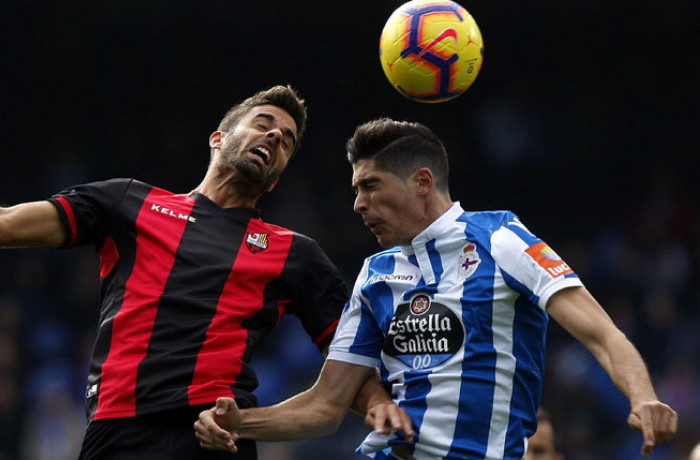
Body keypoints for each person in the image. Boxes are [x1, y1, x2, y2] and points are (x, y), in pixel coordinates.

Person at [0, 85, 372, 459]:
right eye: (264, 123)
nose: (275, 137)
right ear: (218, 138)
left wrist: (383, 410)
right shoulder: (128, 202)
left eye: (286, 140)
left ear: (276, 181)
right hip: (115, 434)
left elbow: (353, 365)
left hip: (211, 437)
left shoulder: (293, 253)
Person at [194, 118, 679, 459]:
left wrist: (643, 398)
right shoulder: (376, 273)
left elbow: (601, 334)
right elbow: (326, 404)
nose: (358, 204)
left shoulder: (501, 238)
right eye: (354, 190)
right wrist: (239, 424)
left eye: (370, 186)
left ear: (422, 181)